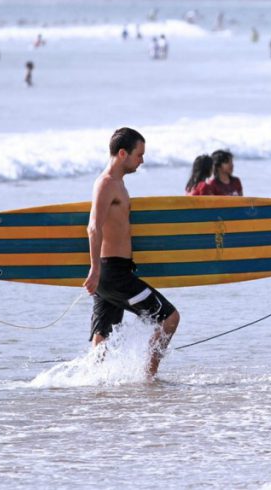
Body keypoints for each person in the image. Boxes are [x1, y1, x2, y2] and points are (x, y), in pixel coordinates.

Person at [85, 128, 179, 378]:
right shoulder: (106, 183)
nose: (142, 160)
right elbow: (93, 226)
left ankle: (94, 384)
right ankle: (148, 377)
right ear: (123, 153)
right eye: (139, 155)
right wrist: (95, 269)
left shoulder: (118, 184)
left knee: (103, 336)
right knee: (169, 319)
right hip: (113, 273)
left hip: (113, 272)